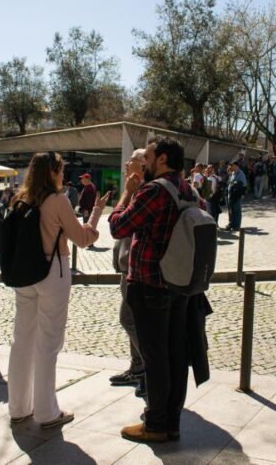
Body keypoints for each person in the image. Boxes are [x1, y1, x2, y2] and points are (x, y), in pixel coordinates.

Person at [109, 136, 207, 443]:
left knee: (154, 359)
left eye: (148, 157)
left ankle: (154, 424)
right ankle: (171, 423)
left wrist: (127, 193)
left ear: (162, 159)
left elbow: (118, 227)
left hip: (149, 284)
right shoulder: (189, 189)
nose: (144, 163)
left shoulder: (154, 190)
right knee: (175, 357)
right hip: (179, 285)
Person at [8, 153, 108, 429]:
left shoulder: (19, 198)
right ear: (52, 172)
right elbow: (83, 239)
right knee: (48, 343)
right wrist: (97, 213)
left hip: (24, 273)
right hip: (52, 271)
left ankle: (18, 407)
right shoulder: (57, 200)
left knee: (22, 340)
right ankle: (46, 412)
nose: (64, 175)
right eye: (62, 170)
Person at [110, 149, 147, 397]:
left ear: (143, 165)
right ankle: (138, 368)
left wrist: (127, 193)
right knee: (132, 319)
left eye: (132, 158)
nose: (126, 162)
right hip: (127, 267)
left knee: (129, 319)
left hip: (136, 269)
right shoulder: (138, 191)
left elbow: (118, 225)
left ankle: (148, 368)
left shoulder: (143, 193)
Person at [226, 161, 247, 231]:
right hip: (231, 195)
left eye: (232, 165)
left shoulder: (241, 174)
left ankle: (237, 226)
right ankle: (232, 224)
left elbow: (244, 185)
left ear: (236, 165)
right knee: (231, 210)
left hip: (237, 196)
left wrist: (242, 194)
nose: (231, 167)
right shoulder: (233, 173)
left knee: (237, 210)